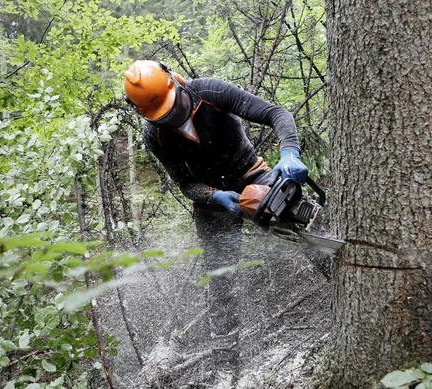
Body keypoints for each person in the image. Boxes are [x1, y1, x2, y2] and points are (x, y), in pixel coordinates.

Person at [122, 59, 309, 383]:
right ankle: (226, 368)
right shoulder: (156, 136)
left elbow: (276, 114)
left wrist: (289, 151)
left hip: (251, 172)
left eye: (174, 107)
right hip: (213, 197)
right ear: (145, 114)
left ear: (175, 82)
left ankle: (338, 278)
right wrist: (212, 197)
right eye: (162, 116)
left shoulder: (210, 92)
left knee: (299, 221)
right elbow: (185, 183)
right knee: (220, 281)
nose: (172, 117)